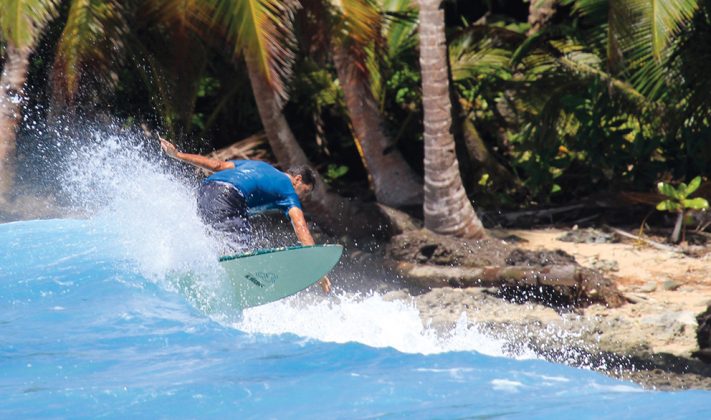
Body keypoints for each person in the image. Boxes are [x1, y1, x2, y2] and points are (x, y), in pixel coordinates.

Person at [159, 137, 331, 293]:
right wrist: (317, 269)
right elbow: (300, 227)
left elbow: (217, 166)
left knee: (219, 244)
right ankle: (239, 286)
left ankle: (201, 278)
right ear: (298, 179)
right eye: (305, 192)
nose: (302, 197)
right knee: (240, 250)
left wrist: (178, 155)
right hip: (229, 196)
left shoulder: (258, 165)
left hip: (205, 191)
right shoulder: (288, 190)